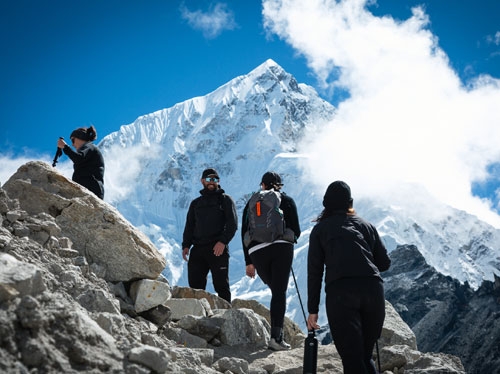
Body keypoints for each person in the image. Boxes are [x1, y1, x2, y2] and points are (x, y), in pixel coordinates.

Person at [307, 181, 391, 373]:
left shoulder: (320, 230)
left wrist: (313, 310)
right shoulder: (366, 225)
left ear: (326, 204)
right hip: (373, 290)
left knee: (352, 358)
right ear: (350, 203)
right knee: (364, 355)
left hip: (341, 293)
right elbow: (385, 263)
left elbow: (315, 272)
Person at [241, 171, 301, 351]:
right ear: (279, 185)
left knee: (275, 289)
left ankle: (276, 336)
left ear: (263, 185)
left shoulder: (251, 203)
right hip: (281, 247)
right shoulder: (286, 200)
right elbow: (296, 229)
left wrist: (248, 261)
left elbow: (244, 231)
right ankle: (276, 337)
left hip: (256, 251)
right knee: (279, 292)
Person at [182, 168, 238, 303]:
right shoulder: (195, 203)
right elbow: (189, 226)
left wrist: (223, 242)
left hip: (217, 249)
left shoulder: (225, 200)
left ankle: (225, 317)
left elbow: (232, 224)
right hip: (198, 249)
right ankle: (198, 318)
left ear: (218, 182)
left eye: (215, 179)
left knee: (221, 285)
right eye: (208, 179)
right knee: (195, 287)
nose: (212, 182)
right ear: (202, 181)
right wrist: (186, 245)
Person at [57, 125, 105, 199]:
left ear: (80, 137)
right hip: (92, 188)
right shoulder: (89, 149)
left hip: (91, 188)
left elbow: (78, 158)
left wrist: (65, 147)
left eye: (73, 140)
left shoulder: (89, 146)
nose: (72, 144)